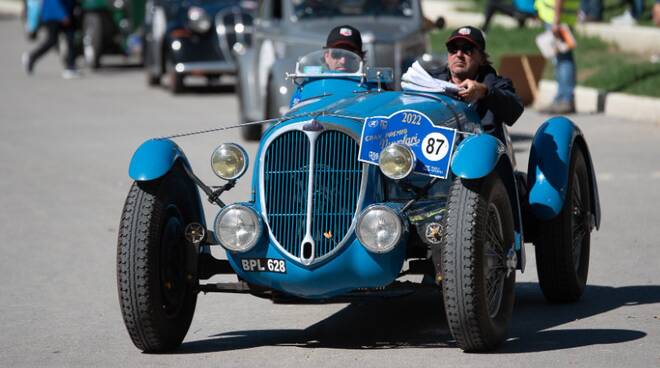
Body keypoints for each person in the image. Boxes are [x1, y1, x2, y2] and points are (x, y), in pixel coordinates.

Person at [429, 26, 523, 133]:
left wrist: (485, 92)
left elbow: (515, 110)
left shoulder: (495, 84)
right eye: (453, 48)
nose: (459, 54)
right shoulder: (431, 79)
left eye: (467, 49)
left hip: (477, 145)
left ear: (482, 58)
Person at [535, 0, 579, 114]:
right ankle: (561, 98)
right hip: (559, 16)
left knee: (564, 59)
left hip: (558, 18)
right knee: (561, 59)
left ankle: (565, 99)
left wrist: (556, 20)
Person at [22, 0, 79, 78]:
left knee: (71, 39)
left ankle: (70, 67)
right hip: (53, 14)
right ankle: (31, 57)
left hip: (66, 12)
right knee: (52, 41)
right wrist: (62, 15)